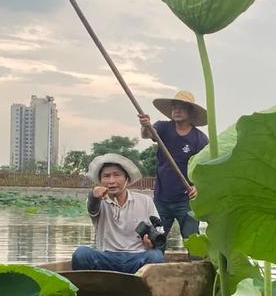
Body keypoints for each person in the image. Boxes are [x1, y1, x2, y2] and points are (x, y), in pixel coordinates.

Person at [71, 153, 165, 274]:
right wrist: (94, 195)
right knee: (81, 254)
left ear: (127, 179)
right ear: (100, 180)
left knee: (156, 256)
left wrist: (151, 243)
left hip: (136, 258)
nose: (111, 181)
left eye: (117, 175)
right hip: (105, 258)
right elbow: (92, 206)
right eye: (106, 176)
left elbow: (159, 232)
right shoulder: (99, 201)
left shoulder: (145, 201)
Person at [138, 90, 209, 243]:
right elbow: (147, 134)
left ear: (190, 112)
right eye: (174, 107)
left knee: (192, 240)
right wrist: (145, 125)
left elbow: (205, 169)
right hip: (161, 198)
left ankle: (195, 265)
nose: (177, 110)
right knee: (155, 240)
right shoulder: (163, 127)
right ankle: (153, 264)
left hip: (186, 200)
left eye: (182, 107)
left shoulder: (200, 139)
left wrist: (198, 186)